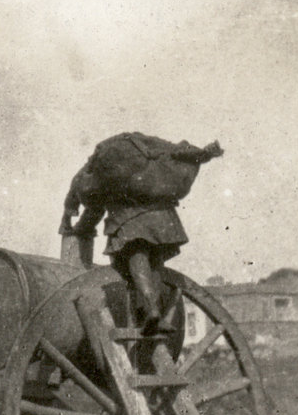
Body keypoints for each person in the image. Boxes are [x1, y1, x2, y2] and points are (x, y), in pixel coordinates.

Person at [59, 132, 223, 331]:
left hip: (127, 219)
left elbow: (92, 209)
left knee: (137, 256)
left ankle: (150, 309)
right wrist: (204, 154)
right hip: (163, 217)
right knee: (155, 263)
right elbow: (179, 151)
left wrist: (75, 225)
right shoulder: (149, 149)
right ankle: (154, 313)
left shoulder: (97, 174)